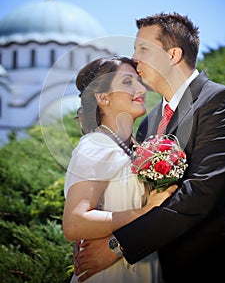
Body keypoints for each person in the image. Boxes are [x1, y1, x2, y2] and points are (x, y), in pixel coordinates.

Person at [74, 13, 225, 283]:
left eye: (143, 49)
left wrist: (118, 246)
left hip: (205, 265)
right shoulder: (149, 122)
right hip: (153, 268)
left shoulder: (219, 102)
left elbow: (199, 193)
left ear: (173, 55)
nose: (134, 58)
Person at [63, 55, 177, 283]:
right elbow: (75, 223)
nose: (140, 88)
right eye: (127, 82)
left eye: (138, 80)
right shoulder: (96, 145)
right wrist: (145, 212)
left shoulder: (136, 148)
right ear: (103, 97)